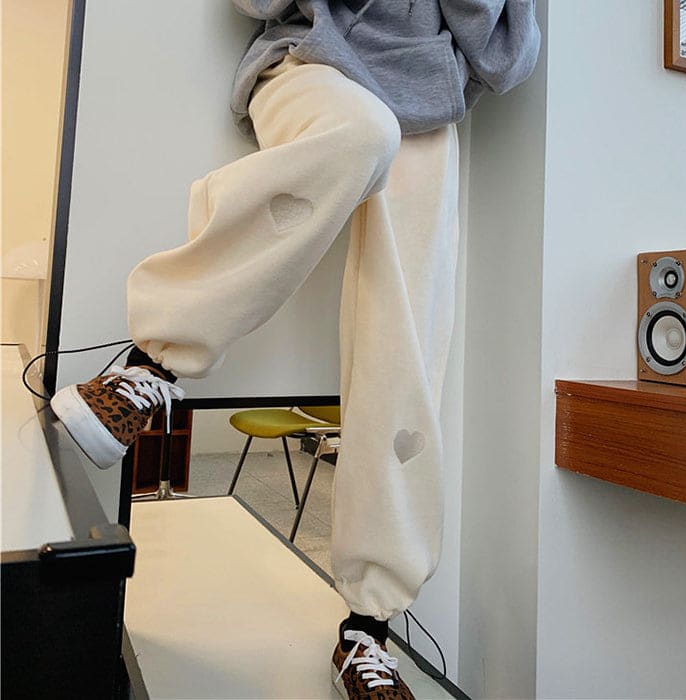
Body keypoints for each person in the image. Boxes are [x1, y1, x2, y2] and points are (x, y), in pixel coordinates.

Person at [51, 2, 540, 697]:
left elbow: (505, 58)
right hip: (312, 66)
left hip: (429, 110)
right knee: (364, 132)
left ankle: (368, 629)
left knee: (407, 343)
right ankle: (151, 366)